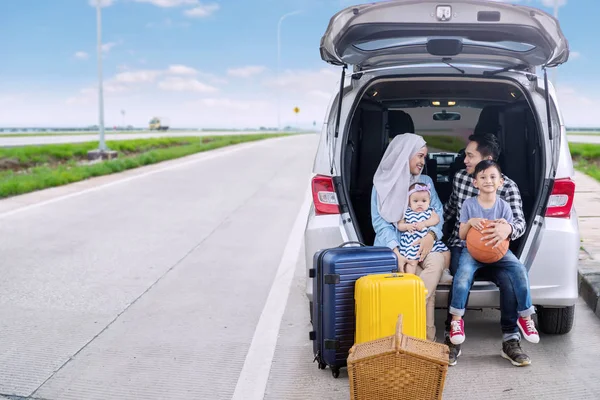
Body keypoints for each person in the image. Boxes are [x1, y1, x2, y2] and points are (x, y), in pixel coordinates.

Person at [443, 133, 531, 367]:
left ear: (487, 159)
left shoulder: (508, 187)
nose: (464, 160)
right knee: (461, 277)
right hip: (463, 245)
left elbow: (520, 222)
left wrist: (508, 230)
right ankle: (452, 338)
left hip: (495, 248)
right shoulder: (462, 178)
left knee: (509, 279)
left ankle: (510, 339)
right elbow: (451, 208)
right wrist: (428, 229)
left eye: (470, 155)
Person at [371, 133, 449, 342]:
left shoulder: (426, 182)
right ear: (404, 155)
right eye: (420, 156)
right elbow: (380, 223)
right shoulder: (381, 184)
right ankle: (425, 341)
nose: (423, 162)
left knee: (436, 263)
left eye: (425, 157)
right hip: (395, 247)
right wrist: (397, 252)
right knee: (425, 288)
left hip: (426, 244)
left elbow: (438, 214)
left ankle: (408, 318)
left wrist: (431, 236)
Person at [397, 182, 450, 275]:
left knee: (446, 252)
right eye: (415, 201)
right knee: (411, 262)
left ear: (429, 201)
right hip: (411, 242)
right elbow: (399, 225)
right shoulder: (406, 212)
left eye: (424, 201)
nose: (420, 204)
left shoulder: (430, 210)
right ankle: (410, 278)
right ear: (409, 202)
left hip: (427, 240)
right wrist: (407, 226)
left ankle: (445, 272)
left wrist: (424, 223)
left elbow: (436, 219)